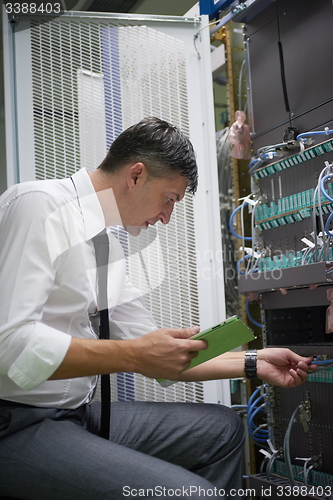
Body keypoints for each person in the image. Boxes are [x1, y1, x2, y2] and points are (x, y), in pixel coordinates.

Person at [0, 117, 315, 500]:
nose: (166, 217)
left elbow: (155, 353)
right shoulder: (37, 206)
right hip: (16, 423)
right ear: (136, 175)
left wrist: (255, 361)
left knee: (222, 429)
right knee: (193, 494)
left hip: (75, 415)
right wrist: (133, 356)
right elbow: (11, 345)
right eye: (170, 199)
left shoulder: (106, 247)